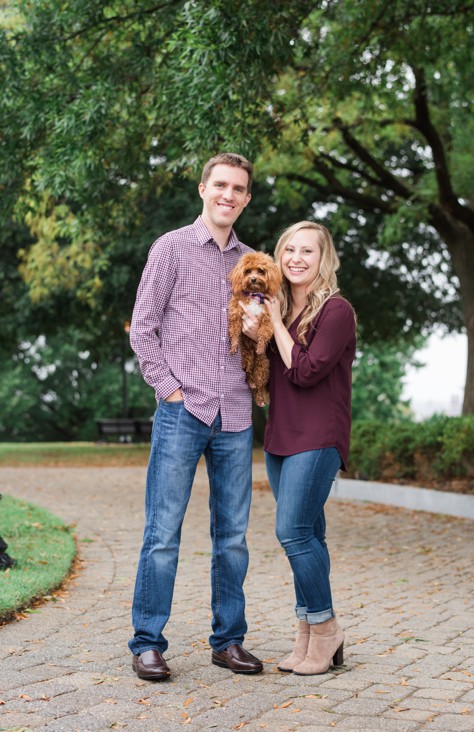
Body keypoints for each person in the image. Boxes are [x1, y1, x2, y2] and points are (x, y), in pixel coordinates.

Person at [128, 152, 263, 681]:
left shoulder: (255, 264)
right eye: (221, 185)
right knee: (163, 533)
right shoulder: (171, 248)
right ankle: (147, 642)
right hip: (184, 413)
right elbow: (144, 328)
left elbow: (260, 339)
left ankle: (228, 641)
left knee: (232, 537)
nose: (228, 195)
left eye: (238, 189)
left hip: (235, 415)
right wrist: (169, 390)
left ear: (247, 199)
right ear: (203, 189)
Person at [242, 221, 356, 676]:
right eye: (288, 249)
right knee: (312, 537)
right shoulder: (280, 308)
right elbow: (267, 372)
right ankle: (307, 634)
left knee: (292, 533)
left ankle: (327, 630)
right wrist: (255, 334)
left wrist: (272, 324)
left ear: (322, 258)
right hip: (280, 438)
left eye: (306, 251)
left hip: (319, 436)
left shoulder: (336, 310)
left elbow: (306, 371)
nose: (295, 258)